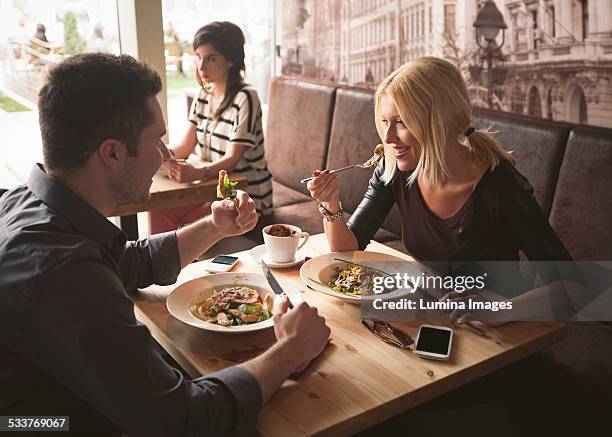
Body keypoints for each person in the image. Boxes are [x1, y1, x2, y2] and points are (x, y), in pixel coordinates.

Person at [0, 53, 330, 436]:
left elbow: (127, 263)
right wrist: (290, 350)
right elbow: (185, 420)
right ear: (112, 153)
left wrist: (214, 226)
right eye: (157, 140)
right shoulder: (63, 271)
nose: (164, 155)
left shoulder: (29, 202)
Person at [307, 57, 576, 322]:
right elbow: (347, 248)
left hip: (499, 334)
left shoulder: (501, 186)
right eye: (385, 122)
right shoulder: (395, 170)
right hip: (436, 313)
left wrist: (502, 311)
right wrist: (331, 205)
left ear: (440, 122)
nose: (388, 138)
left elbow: (576, 289)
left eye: (401, 122)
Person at [150, 21, 273, 234]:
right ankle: (162, 267)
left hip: (246, 196)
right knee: (159, 210)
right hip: (212, 191)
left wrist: (198, 172)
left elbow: (233, 160)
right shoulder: (203, 95)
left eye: (211, 58)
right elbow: (185, 147)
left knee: (181, 223)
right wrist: (156, 154)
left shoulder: (246, 97)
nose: (201, 66)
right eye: (198, 57)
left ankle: (171, 266)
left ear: (231, 60)